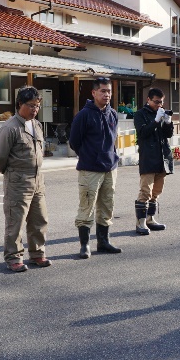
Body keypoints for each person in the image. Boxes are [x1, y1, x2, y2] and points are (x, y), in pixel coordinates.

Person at [0, 86, 50, 272]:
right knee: (15, 222)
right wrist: (12, 174)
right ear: (19, 104)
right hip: (18, 181)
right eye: (31, 105)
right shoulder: (9, 128)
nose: (35, 109)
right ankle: (14, 257)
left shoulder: (37, 125)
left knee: (39, 219)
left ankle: (37, 253)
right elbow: (0, 158)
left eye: (37, 106)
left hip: (37, 180)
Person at [69, 77, 122, 258]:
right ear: (94, 93)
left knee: (107, 206)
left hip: (110, 168)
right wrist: (89, 156)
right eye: (103, 91)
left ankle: (103, 242)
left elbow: (113, 139)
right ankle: (85, 245)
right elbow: (74, 142)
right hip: (90, 169)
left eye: (108, 91)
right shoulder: (84, 115)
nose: (107, 95)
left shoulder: (113, 114)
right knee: (87, 207)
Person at [134, 87, 174, 235]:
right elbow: (143, 133)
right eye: (156, 102)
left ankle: (151, 219)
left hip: (162, 157)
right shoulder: (140, 114)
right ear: (148, 100)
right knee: (145, 191)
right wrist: (156, 120)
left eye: (161, 102)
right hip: (148, 157)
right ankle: (141, 222)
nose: (159, 105)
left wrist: (168, 122)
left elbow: (168, 135)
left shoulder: (162, 112)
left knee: (156, 192)